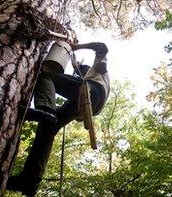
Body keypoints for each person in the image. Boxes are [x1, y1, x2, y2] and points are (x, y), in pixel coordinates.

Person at [7, 42, 110, 196]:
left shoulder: (96, 70)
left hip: (92, 91)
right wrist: (77, 68)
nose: (78, 73)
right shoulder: (92, 77)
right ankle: (29, 180)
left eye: (81, 71)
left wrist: (76, 47)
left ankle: (44, 109)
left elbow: (102, 47)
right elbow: (78, 78)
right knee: (49, 126)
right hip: (86, 104)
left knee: (47, 75)